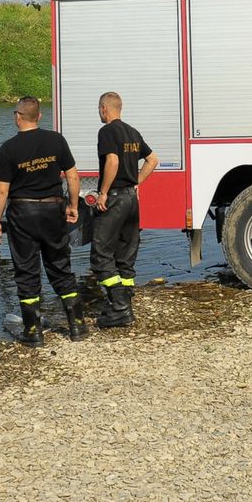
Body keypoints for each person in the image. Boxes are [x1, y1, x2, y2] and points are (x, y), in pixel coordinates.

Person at [0, 96, 86, 346]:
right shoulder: (56, 140)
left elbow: (1, 190)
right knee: (60, 265)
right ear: (39, 116)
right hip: (54, 210)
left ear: (17, 117)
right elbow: (73, 177)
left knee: (26, 269)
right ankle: (77, 325)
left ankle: (33, 332)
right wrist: (73, 206)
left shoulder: (8, 149)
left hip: (23, 214)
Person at [90, 92, 159, 328]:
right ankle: (126, 302)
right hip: (131, 200)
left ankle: (120, 310)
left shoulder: (107, 132)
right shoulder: (132, 132)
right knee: (126, 255)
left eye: (99, 109)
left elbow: (113, 162)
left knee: (100, 254)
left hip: (116, 199)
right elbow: (152, 160)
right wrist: (136, 181)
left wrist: (103, 193)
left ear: (104, 109)